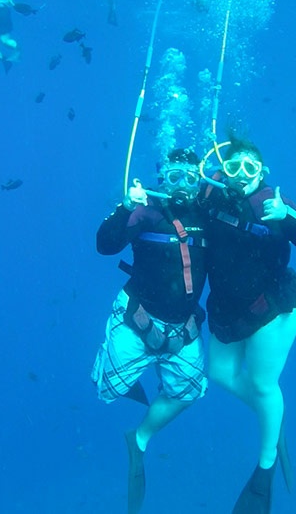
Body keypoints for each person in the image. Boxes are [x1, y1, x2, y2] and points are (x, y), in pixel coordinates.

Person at [198, 137, 296, 513]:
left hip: (273, 309)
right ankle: (273, 417)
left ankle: (264, 471)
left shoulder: (272, 204)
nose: (242, 176)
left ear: (262, 173)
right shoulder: (209, 199)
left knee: (262, 384)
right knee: (219, 373)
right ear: (223, 171)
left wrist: (286, 215)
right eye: (234, 167)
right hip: (228, 310)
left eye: (250, 168)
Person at [92, 148, 208, 514]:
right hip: (137, 321)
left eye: (190, 178)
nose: (181, 186)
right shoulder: (145, 211)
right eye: (174, 177)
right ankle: (127, 370)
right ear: (162, 177)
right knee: (106, 389)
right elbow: (105, 245)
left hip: (184, 329)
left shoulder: (207, 215)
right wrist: (126, 206)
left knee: (190, 391)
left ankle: (138, 437)